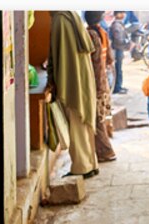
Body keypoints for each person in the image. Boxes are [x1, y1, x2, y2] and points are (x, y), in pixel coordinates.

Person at [47, 10, 99, 178]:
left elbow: (59, 55)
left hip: (71, 79)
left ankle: (82, 166)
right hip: (81, 76)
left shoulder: (60, 19)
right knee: (83, 123)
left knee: (76, 121)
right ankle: (91, 163)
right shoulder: (71, 15)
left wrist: (53, 76)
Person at [84, 11, 116, 162]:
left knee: (97, 120)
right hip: (103, 81)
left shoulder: (89, 35)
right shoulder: (102, 33)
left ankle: (106, 151)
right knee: (101, 118)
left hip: (94, 83)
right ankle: (102, 149)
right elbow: (110, 59)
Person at [109, 11, 130, 94]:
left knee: (119, 69)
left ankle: (118, 86)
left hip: (119, 49)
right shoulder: (117, 25)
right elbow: (118, 39)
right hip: (117, 50)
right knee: (118, 69)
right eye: (122, 12)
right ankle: (117, 87)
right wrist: (126, 42)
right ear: (117, 14)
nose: (124, 14)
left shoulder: (118, 24)